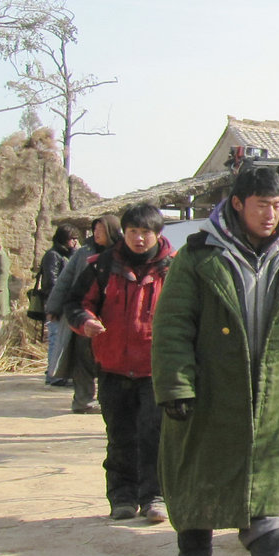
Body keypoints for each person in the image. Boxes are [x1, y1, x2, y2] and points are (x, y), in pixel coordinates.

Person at [152, 166, 279, 556]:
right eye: (262, 205)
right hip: (211, 390)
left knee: (269, 476)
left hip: (272, 392)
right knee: (201, 468)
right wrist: (176, 385)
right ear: (237, 204)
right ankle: (194, 548)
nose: (271, 214)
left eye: (276, 205)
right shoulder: (199, 256)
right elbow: (173, 326)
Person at [66, 205, 175, 524]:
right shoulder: (100, 266)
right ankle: (122, 497)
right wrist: (84, 321)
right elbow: (76, 303)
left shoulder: (174, 268)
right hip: (112, 366)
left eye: (146, 233)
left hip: (157, 369)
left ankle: (155, 496)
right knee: (120, 435)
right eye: (132, 232)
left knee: (154, 435)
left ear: (158, 234)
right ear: (123, 233)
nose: (139, 239)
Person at [47, 215, 118, 414]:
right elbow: (65, 280)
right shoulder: (83, 253)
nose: (97, 233)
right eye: (95, 229)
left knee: (108, 364)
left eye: (101, 230)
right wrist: (53, 307)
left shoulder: (121, 254)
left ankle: (108, 401)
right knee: (82, 361)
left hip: (112, 319)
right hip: (83, 315)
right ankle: (82, 401)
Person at [39, 225, 78, 383]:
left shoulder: (69, 255)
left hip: (66, 302)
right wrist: (59, 299)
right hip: (55, 302)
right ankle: (53, 376)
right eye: (72, 239)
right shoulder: (53, 255)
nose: (75, 242)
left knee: (62, 339)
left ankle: (58, 373)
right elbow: (51, 280)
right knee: (55, 338)